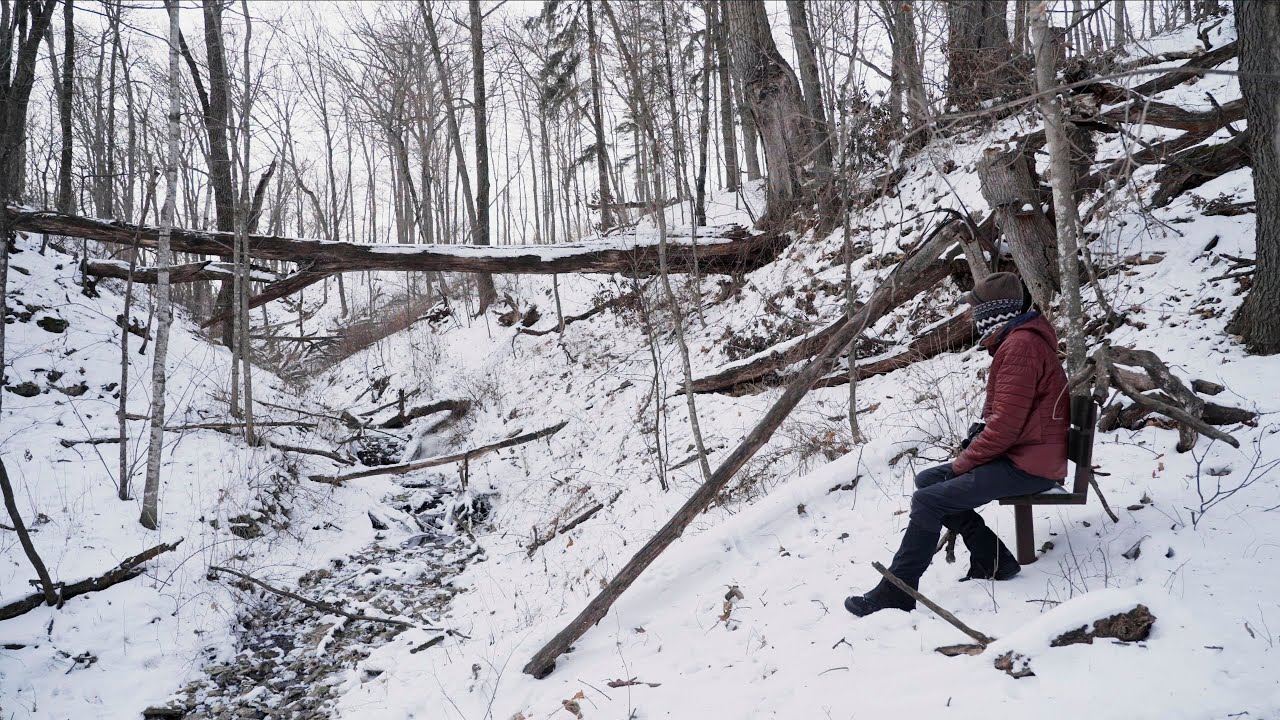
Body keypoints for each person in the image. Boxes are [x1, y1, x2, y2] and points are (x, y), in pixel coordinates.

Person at [845, 272, 1070, 617]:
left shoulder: (1020, 346)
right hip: (1027, 454)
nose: (971, 316)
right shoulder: (1017, 341)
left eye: (975, 309)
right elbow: (1003, 417)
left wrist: (964, 462)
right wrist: (974, 443)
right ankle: (993, 559)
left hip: (1029, 465)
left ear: (991, 311)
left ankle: (897, 590)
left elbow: (1005, 428)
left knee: (928, 499)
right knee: (928, 481)